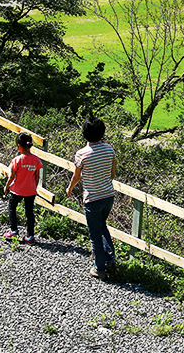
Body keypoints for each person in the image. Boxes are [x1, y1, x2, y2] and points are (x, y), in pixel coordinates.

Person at [67, 116, 116, 279]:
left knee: (95, 233)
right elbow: (112, 174)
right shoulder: (109, 149)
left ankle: (99, 268)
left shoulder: (82, 154)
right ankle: (110, 259)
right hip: (108, 195)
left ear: (84, 134)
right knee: (102, 226)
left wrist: (70, 187)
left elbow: (76, 177)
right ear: (102, 133)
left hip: (92, 198)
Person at [4, 133, 42, 245]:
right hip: (30, 191)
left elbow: (11, 176)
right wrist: (34, 188)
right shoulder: (36, 160)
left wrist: (6, 186)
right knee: (29, 212)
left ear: (19, 146)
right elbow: (37, 176)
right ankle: (30, 236)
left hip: (17, 190)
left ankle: (13, 231)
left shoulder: (17, 160)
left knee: (12, 208)